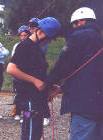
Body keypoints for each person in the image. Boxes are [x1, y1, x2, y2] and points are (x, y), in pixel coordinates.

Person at [48, 7, 103, 140]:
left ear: (79, 22)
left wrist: (48, 84)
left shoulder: (79, 36)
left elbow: (64, 64)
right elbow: (91, 74)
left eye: (74, 25)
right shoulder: (100, 39)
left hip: (84, 103)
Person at [6, 17, 61, 140]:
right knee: (30, 134)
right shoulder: (24, 46)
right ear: (40, 32)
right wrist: (35, 81)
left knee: (35, 134)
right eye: (49, 39)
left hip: (37, 99)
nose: (49, 42)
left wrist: (50, 87)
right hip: (29, 99)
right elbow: (11, 69)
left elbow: (37, 73)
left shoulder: (37, 49)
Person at [10, 25, 30, 123]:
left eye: (25, 35)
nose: (23, 37)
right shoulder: (16, 46)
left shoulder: (31, 45)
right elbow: (13, 59)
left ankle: (26, 114)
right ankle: (17, 113)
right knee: (18, 94)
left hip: (27, 74)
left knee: (27, 94)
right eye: (21, 35)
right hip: (18, 73)